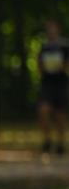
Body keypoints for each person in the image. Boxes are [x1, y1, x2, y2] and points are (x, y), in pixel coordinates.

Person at [37, 19, 68, 155]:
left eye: (53, 28)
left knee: (59, 115)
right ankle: (47, 140)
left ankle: (61, 143)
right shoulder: (44, 46)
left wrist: (62, 67)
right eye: (49, 29)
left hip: (61, 83)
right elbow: (39, 63)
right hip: (47, 83)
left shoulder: (64, 45)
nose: (51, 31)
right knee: (43, 110)